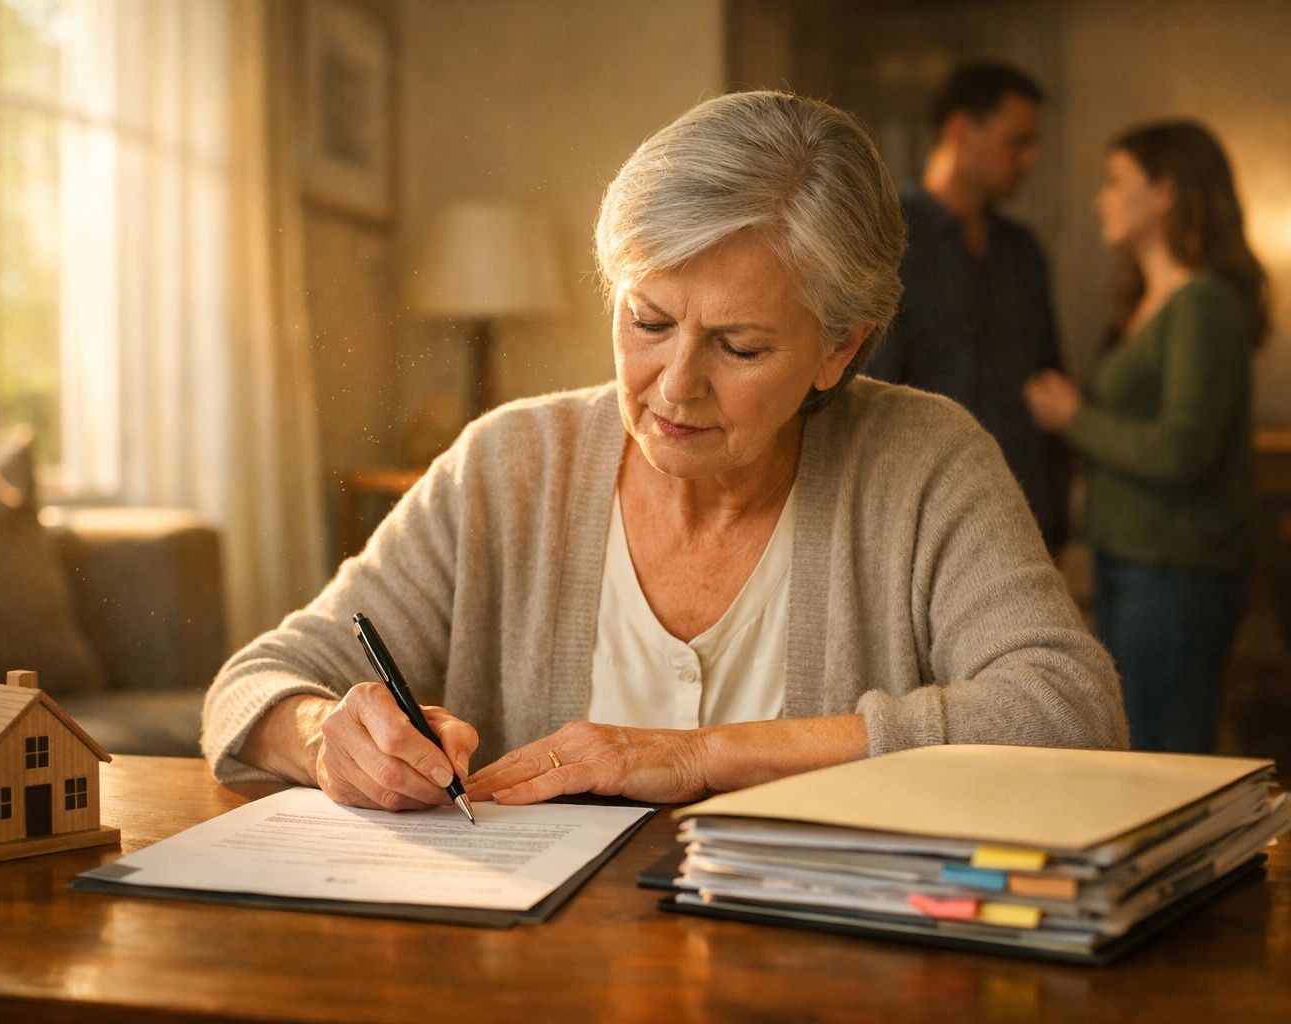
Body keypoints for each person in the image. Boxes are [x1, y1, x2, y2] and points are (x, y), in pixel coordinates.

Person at [203, 91, 1124, 811]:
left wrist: (701, 756)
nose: (673, 385)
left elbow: (1070, 713)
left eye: (740, 346)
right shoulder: (508, 463)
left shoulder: (925, 464)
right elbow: (255, 683)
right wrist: (329, 734)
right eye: (646, 320)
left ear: (839, 348)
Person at [1025, 121, 1267, 754]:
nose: (1102, 198)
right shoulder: (1148, 299)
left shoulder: (1204, 303)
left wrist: (1074, 417)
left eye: (1116, 182)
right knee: (1138, 742)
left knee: (1165, 752)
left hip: (1176, 566)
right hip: (1134, 560)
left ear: (1164, 194)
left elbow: (1184, 449)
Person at [868, 63, 1071, 552]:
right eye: (1016, 142)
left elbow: (1048, 380)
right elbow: (866, 387)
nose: (1030, 160)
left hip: (1025, 511)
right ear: (961, 130)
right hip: (923, 513)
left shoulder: (1022, 250)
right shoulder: (886, 238)